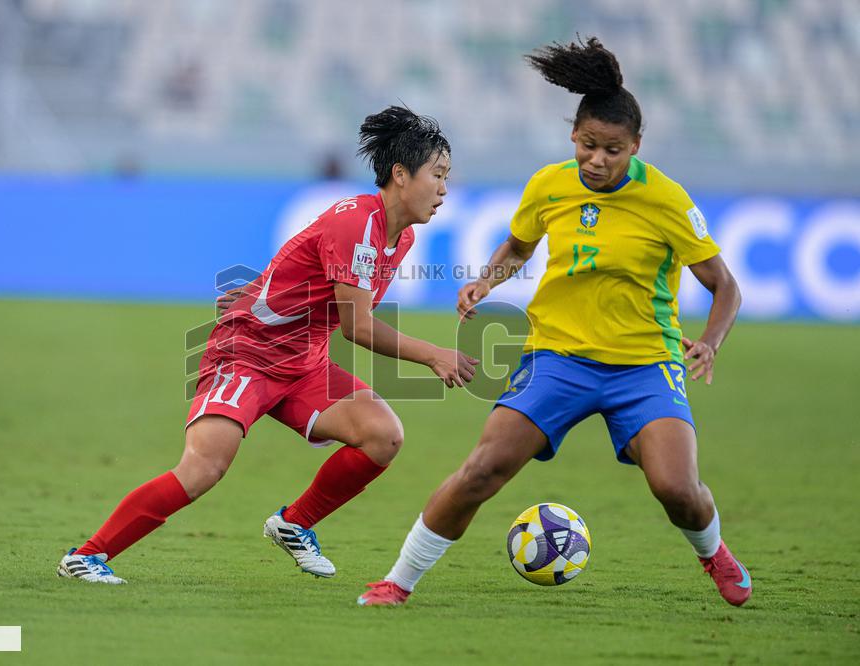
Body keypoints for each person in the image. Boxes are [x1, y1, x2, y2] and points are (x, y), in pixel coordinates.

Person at [358, 38, 752, 607]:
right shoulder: (550, 185)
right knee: (481, 470)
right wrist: (487, 279)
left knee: (676, 488)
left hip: (645, 364)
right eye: (588, 145)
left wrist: (711, 342)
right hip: (556, 358)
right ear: (574, 136)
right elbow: (519, 245)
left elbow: (725, 286)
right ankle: (398, 581)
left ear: (636, 146)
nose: (597, 159)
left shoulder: (666, 199)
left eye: (612, 150)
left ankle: (713, 552)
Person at [58, 106, 478, 584]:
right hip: (248, 354)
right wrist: (434, 354)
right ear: (400, 175)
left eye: (448, 177)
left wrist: (260, 291)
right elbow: (357, 327)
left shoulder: (395, 236)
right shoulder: (358, 222)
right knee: (203, 468)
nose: (446, 189)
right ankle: (86, 556)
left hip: (303, 361)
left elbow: (306, 268)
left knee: (384, 436)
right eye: (438, 175)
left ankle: (295, 523)